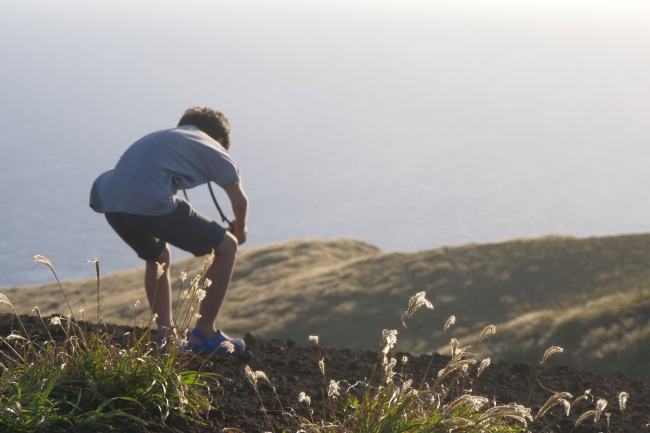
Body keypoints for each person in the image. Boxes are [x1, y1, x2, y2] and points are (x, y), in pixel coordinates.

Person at [89, 107, 248, 354]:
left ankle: (166, 340)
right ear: (220, 141)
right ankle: (205, 335)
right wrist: (239, 231)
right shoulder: (213, 145)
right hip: (147, 200)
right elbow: (240, 201)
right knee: (227, 246)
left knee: (158, 256)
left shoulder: (165, 137)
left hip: (109, 199)